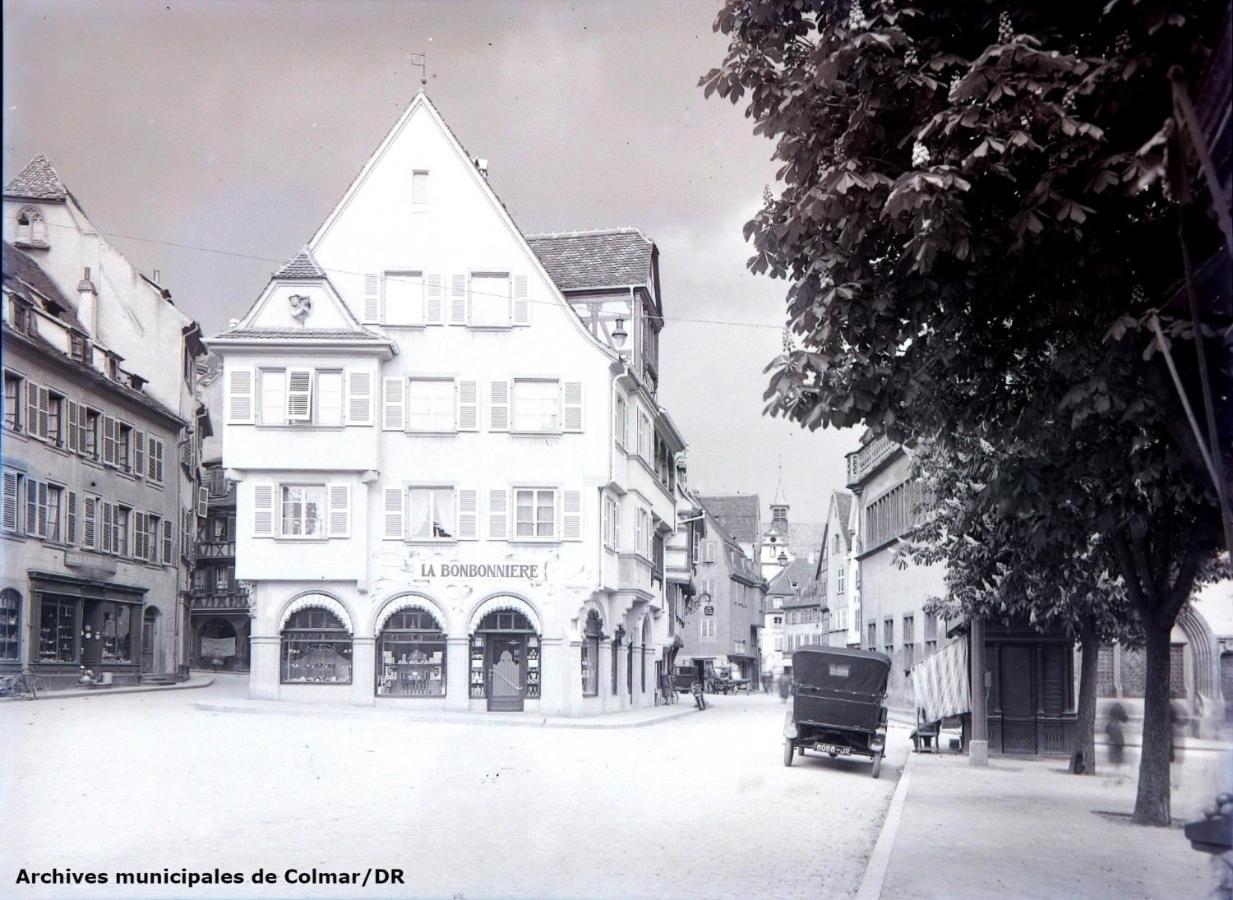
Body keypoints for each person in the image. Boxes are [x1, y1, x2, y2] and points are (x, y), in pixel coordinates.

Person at [1104, 701, 1127, 780]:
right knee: (1117, 761)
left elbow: (1107, 732)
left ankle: (1113, 776)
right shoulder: (1117, 723)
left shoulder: (1110, 722)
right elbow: (1125, 719)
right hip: (1119, 742)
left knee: (1113, 760)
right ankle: (1118, 776)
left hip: (1113, 742)